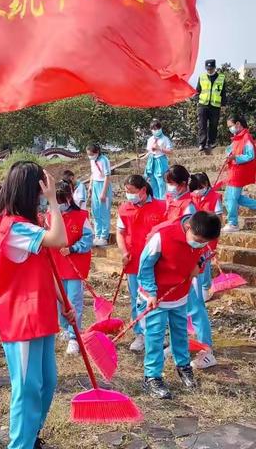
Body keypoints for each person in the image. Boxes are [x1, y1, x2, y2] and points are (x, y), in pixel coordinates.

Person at [0, 161, 75, 449]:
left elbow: (46, 266)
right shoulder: (14, 228)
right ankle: (20, 444)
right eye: (41, 188)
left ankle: (31, 435)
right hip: (21, 318)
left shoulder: (30, 225)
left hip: (40, 313)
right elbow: (60, 239)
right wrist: (54, 201)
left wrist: (63, 301)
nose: (45, 193)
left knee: (47, 383)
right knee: (27, 388)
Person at [137, 211, 221, 399]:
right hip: (156, 296)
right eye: (198, 240)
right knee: (155, 336)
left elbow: (202, 255)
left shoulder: (201, 238)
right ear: (188, 227)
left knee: (180, 333)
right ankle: (152, 377)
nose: (200, 244)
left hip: (180, 294)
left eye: (204, 242)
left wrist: (198, 266)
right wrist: (151, 292)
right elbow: (145, 266)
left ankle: (183, 367)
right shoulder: (162, 236)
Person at [116, 175, 166, 352]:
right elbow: (120, 233)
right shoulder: (124, 208)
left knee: (155, 298)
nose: (128, 195)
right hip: (133, 261)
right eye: (126, 191)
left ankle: (156, 334)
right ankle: (140, 333)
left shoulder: (161, 207)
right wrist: (124, 252)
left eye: (131, 191)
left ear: (143, 191)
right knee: (136, 299)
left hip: (156, 263)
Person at [49, 181, 92, 356]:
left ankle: (75, 336)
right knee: (59, 300)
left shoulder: (81, 216)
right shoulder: (49, 216)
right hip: (56, 266)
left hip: (74, 267)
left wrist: (73, 248)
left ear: (68, 198)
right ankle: (64, 328)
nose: (58, 204)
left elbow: (88, 239)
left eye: (60, 200)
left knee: (73, 301)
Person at [189, 172, 223, 369]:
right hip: (193, 246)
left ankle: (206, 349)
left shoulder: (212, 197)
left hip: (203, 245)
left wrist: (208, 242)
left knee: (196, 304)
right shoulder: (190, 198)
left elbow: (216, 221)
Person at [222, 115, 256, 233]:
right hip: (234, 171)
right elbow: (231, 150)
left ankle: (233, 223)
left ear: (238, 124)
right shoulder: (237, 138)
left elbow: (250, 155)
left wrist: (235, 157)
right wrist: (229, 156)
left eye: (231, 126)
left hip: (239, 173)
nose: (230, 128)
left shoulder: (246, 137)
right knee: (235, 198)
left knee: (230, 198)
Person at [196, 59, 227, 153]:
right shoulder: (202, 77)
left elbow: (223, 93)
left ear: (214, 68)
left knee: (213, 125)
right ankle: (202, 144)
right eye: (208, 69)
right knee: (202, 125)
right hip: (203, 105)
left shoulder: (221, 78)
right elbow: (197, 91)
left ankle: (211, 142)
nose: (209, 70)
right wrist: (197, 100)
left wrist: (224, 105)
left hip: (215, 106)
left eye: (211, 68)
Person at [87, 143, 112, 246]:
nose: (89, 156)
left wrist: (103, 193)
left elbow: (107, 176)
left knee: (104, 212)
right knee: (95, 211)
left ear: (97, 152)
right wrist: (90, 186)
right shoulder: (92, 160)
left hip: (103, 186)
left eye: (91, 154)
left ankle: (104, 236)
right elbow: (93, 173)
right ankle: (97, 235)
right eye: (88, 154)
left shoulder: (104, 160)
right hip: (95, 184)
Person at [144, 119, 173, 200]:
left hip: (161, 161)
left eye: (157, 128)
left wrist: (160, 148)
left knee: (161, 183)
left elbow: (170, 151)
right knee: (153, 182)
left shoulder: (165, 139)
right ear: (151, 130)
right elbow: (149, 151)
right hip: (152, 161)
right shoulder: (150, 139)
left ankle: (163, 201)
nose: (156, 130)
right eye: (154, 129)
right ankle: (156, 200)